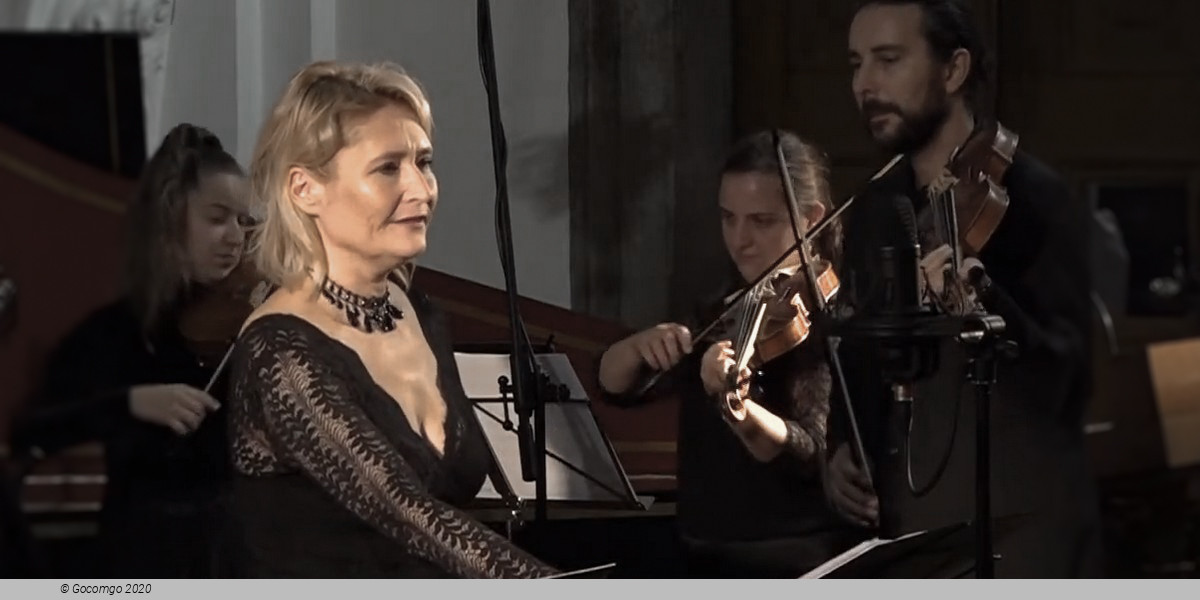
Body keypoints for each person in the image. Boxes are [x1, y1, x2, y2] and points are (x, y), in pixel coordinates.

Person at [222, 60, 558, 579]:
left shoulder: (418, 311)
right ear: (305, 189)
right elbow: (412, 516)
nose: (422, 189)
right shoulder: (280, 352)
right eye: (387, 168)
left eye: (424, 162)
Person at [826, 0, 1102, 577]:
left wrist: (987, 300)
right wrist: (841, 446)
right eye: (855, 64)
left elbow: (1071, 377)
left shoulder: (1034, 197)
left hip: (1024, 523)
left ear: (953, 70)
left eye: (888, 60)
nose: (863, 84)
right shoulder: (877, 207)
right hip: (914, 522)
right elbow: (859, 351)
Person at [598, 130, 865, 578]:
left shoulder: (833, 321)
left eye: (761, 221)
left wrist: (738, 409)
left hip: (791, 560)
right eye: (728, 218)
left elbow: (810, 451)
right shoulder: (721, 309)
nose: (740, 240)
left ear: (811, 219)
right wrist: (638, 346)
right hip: (700, 553)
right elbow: (616, 387)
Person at [10, 123, 253, 577]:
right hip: (141, 553)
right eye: (218, 219)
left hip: (237, 551)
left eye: (244, 221)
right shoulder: (114, 332)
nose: (236, 237)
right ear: (169, 220)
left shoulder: (250, 326)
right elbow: (32, 430)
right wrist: (132, 403)